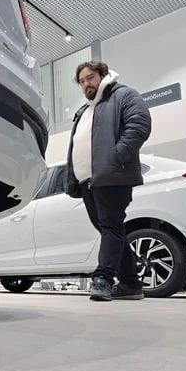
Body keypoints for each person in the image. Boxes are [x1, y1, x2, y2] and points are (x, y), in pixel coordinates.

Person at [63, 61, 152, 301]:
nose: (86, 84)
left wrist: (116, 156)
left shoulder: (124, 95)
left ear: (103, 74)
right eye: (82, 81)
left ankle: (103, 279)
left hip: (111, 175)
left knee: (111, 226)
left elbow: (140, 125)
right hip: (87, 180)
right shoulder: (85, 110)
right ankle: (131, 283)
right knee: (110, 229)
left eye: (90, 78)